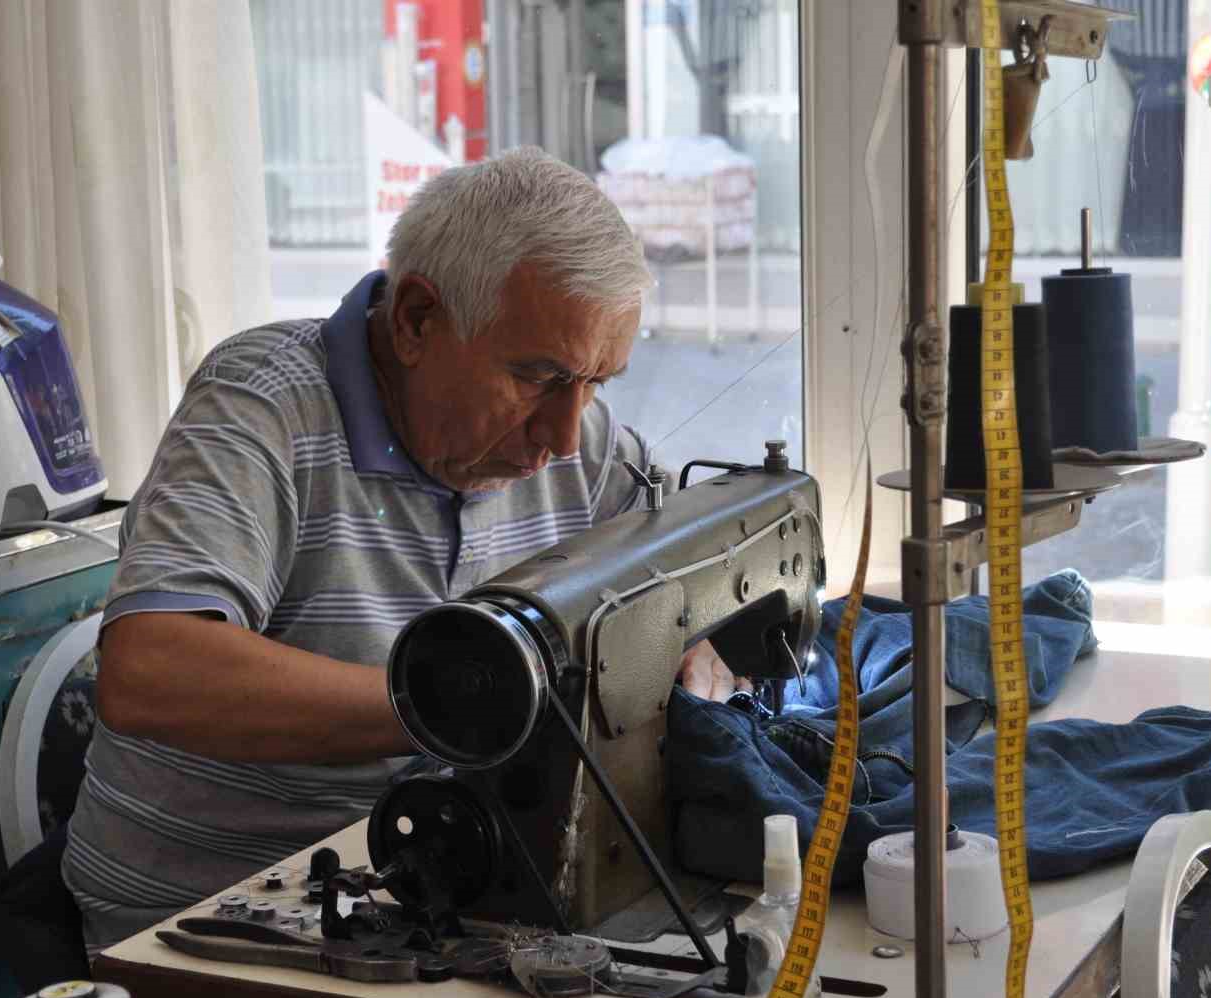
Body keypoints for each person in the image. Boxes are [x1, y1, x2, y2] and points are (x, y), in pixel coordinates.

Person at [62, 147, 749, 952]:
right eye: (537, 378)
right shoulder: (261, 408)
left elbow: (679, 576)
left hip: (424, 890)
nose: (564, 435)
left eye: (598, 383)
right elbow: (152, 673)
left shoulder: (582, 440)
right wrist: (468, 711)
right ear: (419, 318)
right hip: (211, 920)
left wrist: (690, 649)